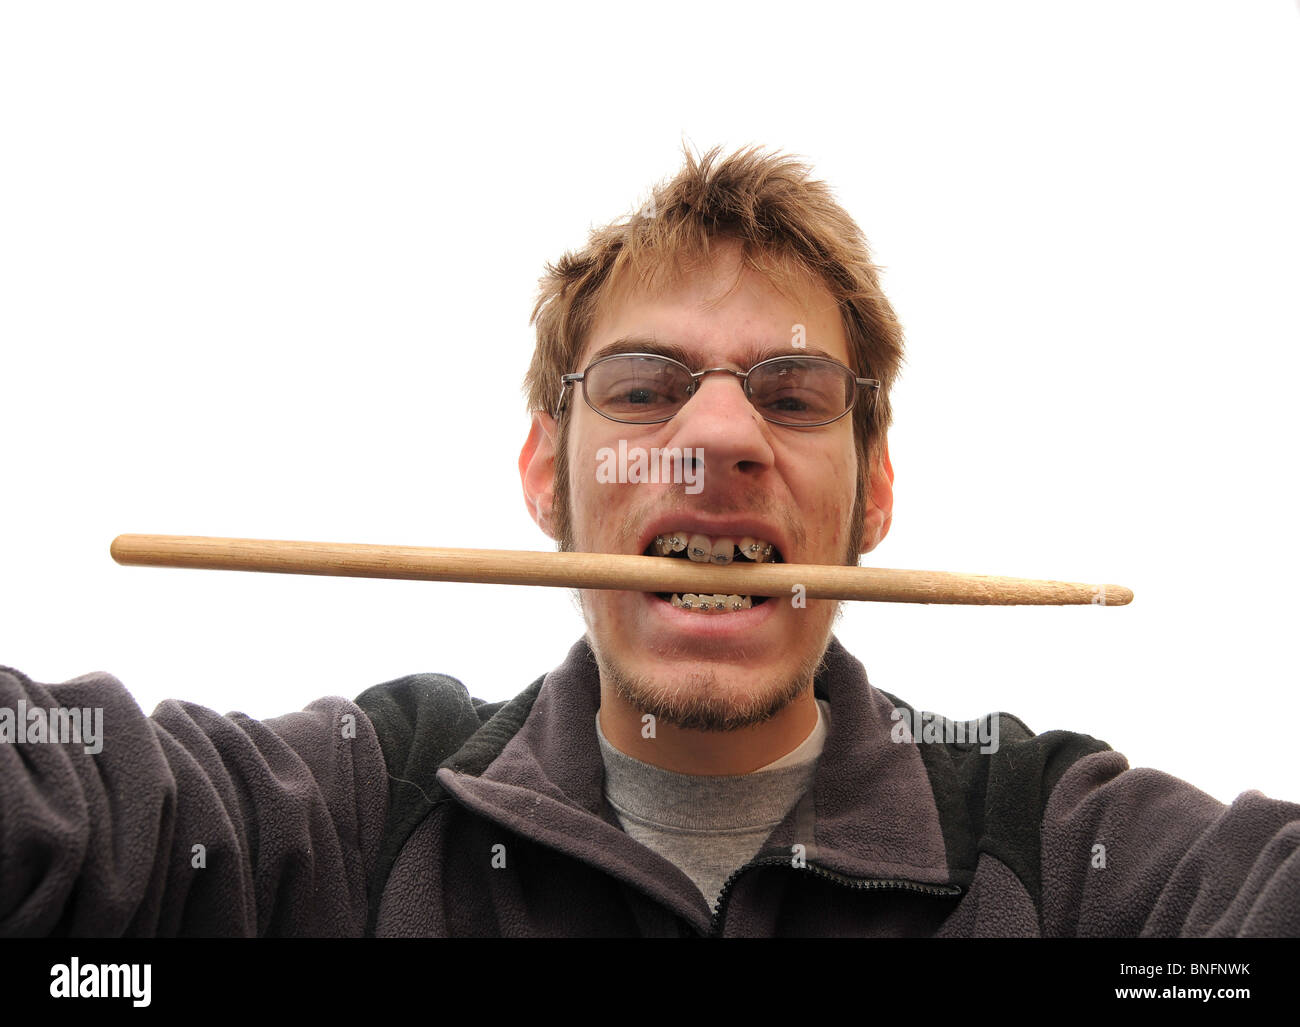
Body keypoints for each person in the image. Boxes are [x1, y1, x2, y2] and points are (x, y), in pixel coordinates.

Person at [1, 146, 1296, 937]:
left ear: (876, 493)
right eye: (642, 386)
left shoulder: (1064, 855)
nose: (720, 435)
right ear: (546, 477)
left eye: (792, 397)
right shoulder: (350, 818)